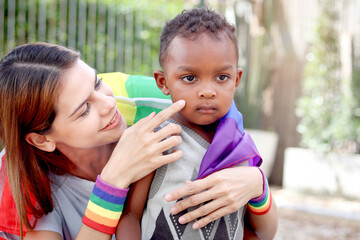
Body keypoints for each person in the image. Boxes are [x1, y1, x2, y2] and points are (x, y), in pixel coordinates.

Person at [0, 41, 275, 240]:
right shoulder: (17, 179)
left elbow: (255, 229)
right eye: (84, 110)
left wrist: (256, 183)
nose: (109, 103)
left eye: (97, 83)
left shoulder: (157, 104)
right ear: (41, 140)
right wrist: (113, 181)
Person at [116, 8, 277, 240]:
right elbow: (130, 215)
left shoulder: (240, 145)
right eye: (189, 78)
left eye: (222, 77)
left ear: (237, 79)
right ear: (163, 82)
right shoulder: (157, 139)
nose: (207, 91)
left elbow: (255, 230)